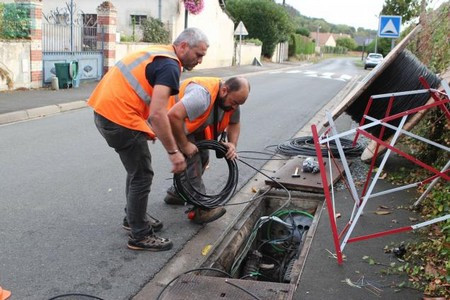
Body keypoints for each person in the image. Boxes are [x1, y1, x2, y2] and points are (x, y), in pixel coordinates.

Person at [87, 28, 209, 251]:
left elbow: (148, 102)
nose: (200, 61)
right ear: (183, 46)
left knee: (137, 171)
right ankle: (140, 235)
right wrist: (174, 152)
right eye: (198, 54)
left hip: (105, 111)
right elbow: (158, 113)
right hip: (119, 117)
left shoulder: (161, 54)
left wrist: (146, 129)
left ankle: (134, 218)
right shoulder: (170, 65)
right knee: (142, 174)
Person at [165, 76, 250, 224]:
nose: (235, 107)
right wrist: (184, 145)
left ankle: (177, 193)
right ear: (224, 90)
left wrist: (232, 144)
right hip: (172, 123)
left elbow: (234, 123)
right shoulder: (201, 97)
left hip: (193, 125)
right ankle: (202, 208)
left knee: (204, 158)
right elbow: (172, 116)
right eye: (235, 102)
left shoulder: (232, 102)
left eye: (239, 104)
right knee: (193, 162)